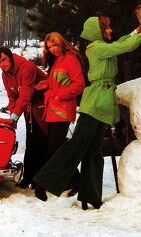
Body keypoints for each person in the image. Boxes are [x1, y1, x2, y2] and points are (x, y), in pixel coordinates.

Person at [32, 14, 141, 210]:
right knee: (76, 146)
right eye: (106, 28)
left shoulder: (102, 47)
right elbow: (121, 47)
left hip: (104, 103)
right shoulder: (95, 48)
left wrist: (136, 31)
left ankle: (91, 196)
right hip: (94, 103)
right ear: (97, 32)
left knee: (93, 152)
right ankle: (43, 180)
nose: (110, 31)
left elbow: (119, 43)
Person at [34, 32, 85, 194]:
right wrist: (42, 85)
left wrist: (60, 95)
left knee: (55, 147)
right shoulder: (58, 60)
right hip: (53, 109)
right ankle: (73, 180)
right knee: (58, 147)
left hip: (62, 109)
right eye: (49, 47)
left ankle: (72, 180)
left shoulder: (70, 59)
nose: (52, 49)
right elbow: (55, 81)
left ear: (61, 43)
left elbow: (79, 84)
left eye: (54, 45)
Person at [0, 47, 48, 189]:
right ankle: (29, 178)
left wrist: (14, 117)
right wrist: (13, 118)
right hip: (30, 109)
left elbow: (25, 95)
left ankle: (42, 180)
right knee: (31, 144)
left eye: (3, 60)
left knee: (43, 144)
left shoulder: (26, 67)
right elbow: (12, 97)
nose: (2, 64)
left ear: (10, 57)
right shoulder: (5, 74)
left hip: (44, 107)